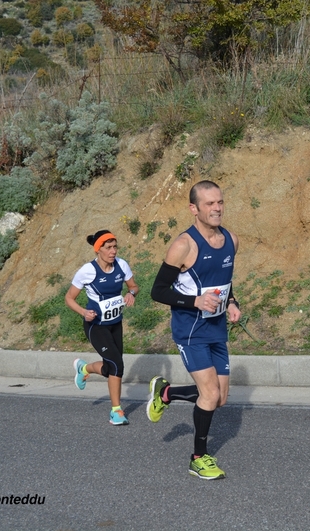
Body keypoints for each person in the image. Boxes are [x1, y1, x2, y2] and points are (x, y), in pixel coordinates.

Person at [147, 180, 242, 480]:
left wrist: (232, 302)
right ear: (194, 209)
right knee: (210, 393)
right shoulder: (183, 245)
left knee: (220, 397)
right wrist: (195, 301)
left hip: (216, 328)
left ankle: (166, 393)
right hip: (190, 330)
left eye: (220, 202)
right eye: (209, 204)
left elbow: (223, 280)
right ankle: (198, 458)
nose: (217, 208)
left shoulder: (231, 240)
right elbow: (158, 291)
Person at [66, 230, 139, 426]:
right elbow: (69, 298)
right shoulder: (87, 271)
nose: (113, 251)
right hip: (96, 325)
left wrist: (131, 293)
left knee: (110, 368)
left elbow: (134, 286)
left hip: (115, 324)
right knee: (117, 365)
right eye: (108, 248)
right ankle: (116, 412)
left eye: (115, 247)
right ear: (98, 250)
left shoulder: (122, 265)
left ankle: (84, 368)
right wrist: (83, 312)